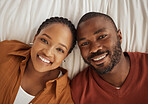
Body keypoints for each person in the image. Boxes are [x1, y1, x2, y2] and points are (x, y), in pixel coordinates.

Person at [71, 12, 148, 104]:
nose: (94, 48)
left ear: (119, 37)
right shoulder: (78, 89)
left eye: (102, 36)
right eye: (84, 44)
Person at [0, 17, 76, 104]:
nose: (48, 53)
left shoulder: (63, 97)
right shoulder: (6, 51)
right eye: (44, 40)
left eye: (59, 50)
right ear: (35, 38)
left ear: (66, 56)